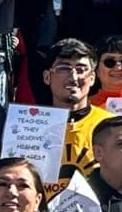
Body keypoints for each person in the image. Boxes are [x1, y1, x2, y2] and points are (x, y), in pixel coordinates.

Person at [40, 39, 115, 182]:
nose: (73, 78)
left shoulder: (112, 126)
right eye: (63, 69)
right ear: (47, 77)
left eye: (81, 70)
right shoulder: (28, 126)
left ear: (92, 78)